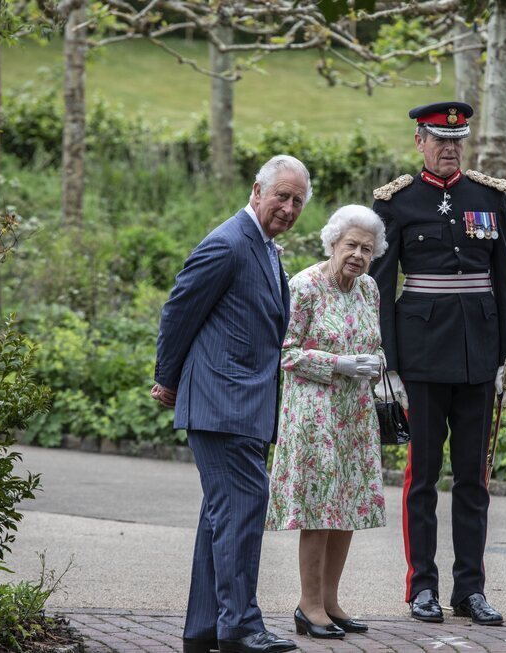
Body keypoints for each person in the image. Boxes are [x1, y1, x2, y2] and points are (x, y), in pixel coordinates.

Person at [368, 101, 506, 626]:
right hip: (422, 359)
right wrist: (388, 364)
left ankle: (470, 590)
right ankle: (422, 588)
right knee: (423, 479)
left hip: (479, 356)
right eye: (439, 138)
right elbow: (382, 287)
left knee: (474, 479)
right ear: (420, 141)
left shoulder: (488, 197)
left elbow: (505, 284)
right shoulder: (397, 202)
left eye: (457, 139)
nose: (450, 147)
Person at [151, 155, 311, 653]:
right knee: (243, 506)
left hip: (244, 403)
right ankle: (240, 626)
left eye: (297, 201)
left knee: (221, 515)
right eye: (281, 196)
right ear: (256, 190)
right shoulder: (227, 242)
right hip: (221, 403)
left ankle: (204, 630)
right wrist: (167, 380)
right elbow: (179, 309)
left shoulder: (263, 247)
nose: (287, 207)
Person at [265, 204, 389, 640]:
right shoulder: (304, 286)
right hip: (315, 414)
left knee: (348, 506)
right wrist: (337, 363)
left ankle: (331, 601)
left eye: (367, 249)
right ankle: (308, 604)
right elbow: (285, 352)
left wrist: (375, 363)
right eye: (351, 245)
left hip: (355, 415)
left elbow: (373, 343)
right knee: (319, 508)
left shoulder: (369, 289)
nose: (358, 254)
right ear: (333, 242)